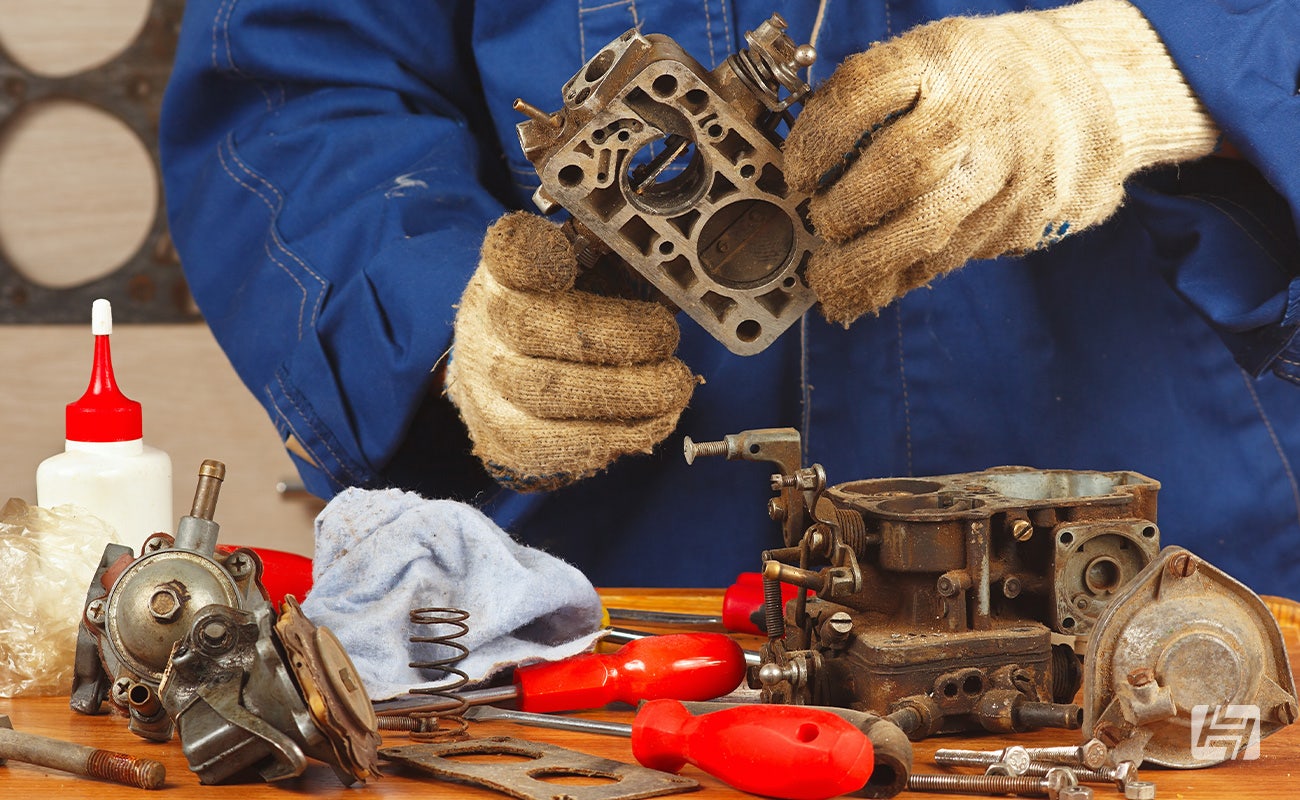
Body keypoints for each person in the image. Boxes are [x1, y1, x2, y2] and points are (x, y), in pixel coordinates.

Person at [160, 1, 1300, 594]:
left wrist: (1155, 68)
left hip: (1178, 572)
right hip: (621, 611)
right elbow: (301, 80)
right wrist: (448, 323)